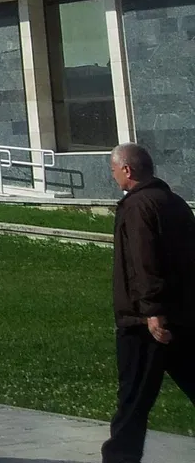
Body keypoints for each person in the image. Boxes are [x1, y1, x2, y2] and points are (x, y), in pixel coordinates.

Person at [102, 143, 195, 463]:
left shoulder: (137, 206)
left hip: (145, 323)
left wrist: (152, 310)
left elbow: (143, 261)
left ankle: (120, 459)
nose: (113, 176)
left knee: (133, 399)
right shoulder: (176, 203)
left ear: (127, 170)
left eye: (113, 170)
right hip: (184, 314)